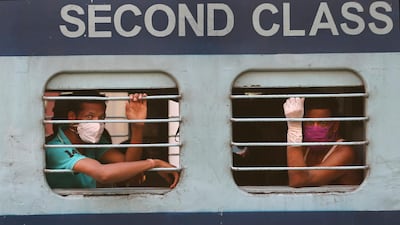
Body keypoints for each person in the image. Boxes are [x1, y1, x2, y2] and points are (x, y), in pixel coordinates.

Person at [45, 90, 179, 189]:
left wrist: (137, 125)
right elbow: (103, 174)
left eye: (101, 117)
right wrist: (154, 163)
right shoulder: (56, 148)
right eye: (90, 117)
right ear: (72, 117)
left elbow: (128, 166)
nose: (97, 124)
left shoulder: (94, 140)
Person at [283, 97, 362, 187]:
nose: (315, 128)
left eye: (322, 123)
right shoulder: (305, 148)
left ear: (335, 125)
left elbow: (298, 181)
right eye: (309, 122)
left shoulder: (344, 152)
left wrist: (294, 128)